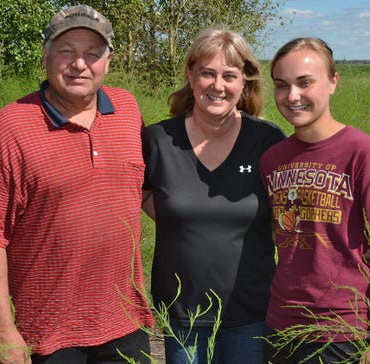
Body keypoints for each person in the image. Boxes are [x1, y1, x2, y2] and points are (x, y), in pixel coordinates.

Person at [0, 5, 154, 363]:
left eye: (92, 53)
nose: (79, 64)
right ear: (45, 56)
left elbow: (140, 190)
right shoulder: (12, 126)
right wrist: (3, 332)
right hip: (47, 333)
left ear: (108, 60)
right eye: (66, 51)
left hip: (124, 321)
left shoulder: (127, 109)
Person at [259, 37, 370, 364]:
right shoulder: (272, 159)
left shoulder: (366, 155)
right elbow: (281, 233)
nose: (292, 96)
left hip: (342, 330)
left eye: (305, 83)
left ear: (333, 82)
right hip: (280, 325)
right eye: (281, 85)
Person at [141, 27, 285, 364]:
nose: (217, 85)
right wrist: (186, 219)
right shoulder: (159, 140)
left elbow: (286, 219)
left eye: (229, 75)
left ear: (244, 82)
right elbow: (145, 195)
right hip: (184, 315)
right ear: (190, 76)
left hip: (251, 314)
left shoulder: (267, 141)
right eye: (207, 73)